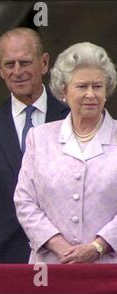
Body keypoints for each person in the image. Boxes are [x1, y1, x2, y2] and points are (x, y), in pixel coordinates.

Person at [0, 27, 69, 263]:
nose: (18, 72)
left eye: (25, 62)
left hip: (64, 256)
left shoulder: (72, 119)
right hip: (4, 258)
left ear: (44, 63)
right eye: (10, 64)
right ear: (0, 69)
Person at [14, 42, 117, 263]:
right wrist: (58, 245)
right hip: (51, 268)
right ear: (64, 91)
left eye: (97, 86)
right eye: (82, 87)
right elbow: (24, 201)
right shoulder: (39, 138)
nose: (91, 94)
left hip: (108, 270)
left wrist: (99, 246)